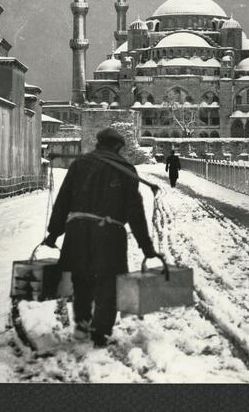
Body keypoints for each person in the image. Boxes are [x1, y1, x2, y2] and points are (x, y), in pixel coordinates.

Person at [43, 127, 160, 348]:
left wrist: (54, 233)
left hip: (77, 232)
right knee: (109, 283)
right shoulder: (126, 169)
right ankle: (100, 332)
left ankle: (83, 324)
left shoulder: (80, 164)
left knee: (81, 280)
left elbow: (63, 200)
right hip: (110, 235)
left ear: (99, 143)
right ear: (118, 147)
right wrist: (146, 246)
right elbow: (135, 212)